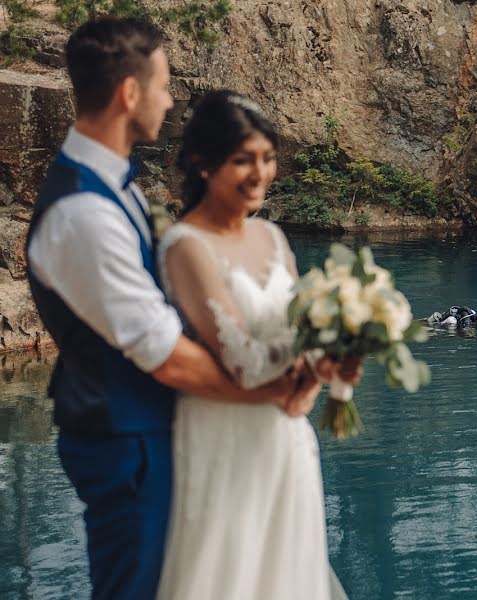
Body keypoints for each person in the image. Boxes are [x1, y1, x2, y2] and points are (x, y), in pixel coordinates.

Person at [26, 19, 321, 600]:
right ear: (129, 94)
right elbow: (166, 355)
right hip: (125, 438)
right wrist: (275, 393)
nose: (168, 99)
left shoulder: (116, 190)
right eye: (162, 85)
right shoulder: (84, 214)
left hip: (154, 431)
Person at [154, 90, 357, 599]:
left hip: (285, 438)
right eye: (242, 160)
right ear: (203, 163)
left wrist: (332, 363)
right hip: (223, 437)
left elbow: (298, 335)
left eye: (267, 159)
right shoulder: (185, 246)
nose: (259, 173)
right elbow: (243, 362)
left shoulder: (273, 238)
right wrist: (306, 370)